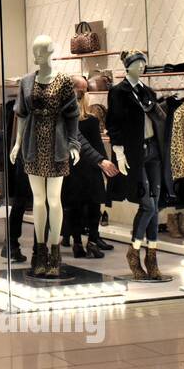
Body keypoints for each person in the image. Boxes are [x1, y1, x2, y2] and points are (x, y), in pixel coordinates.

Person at [61, 74, 120, 259]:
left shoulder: (84, 120)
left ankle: (85, 242)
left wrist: (103, 162)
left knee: (84, 205)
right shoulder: (77, 119)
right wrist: (102, 161)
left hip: (82, 166)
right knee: (84, 206)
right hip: (82, 166)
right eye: (82, 89)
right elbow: (90, 144)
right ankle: (85, 242)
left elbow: (94, 145)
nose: (84, 92)